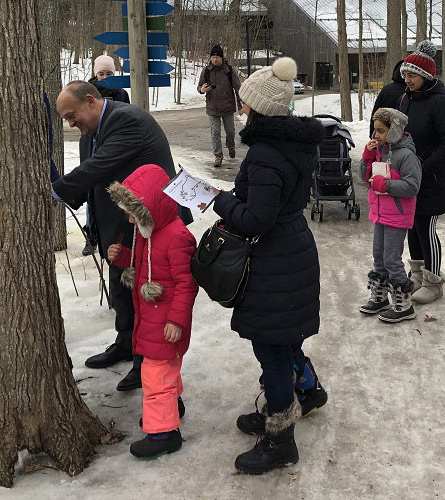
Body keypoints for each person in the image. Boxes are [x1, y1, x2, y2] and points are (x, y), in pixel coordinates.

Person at [206, 57, 328, 474]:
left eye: (244, 104)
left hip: (274, 259)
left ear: (259, 107)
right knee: (285, 336)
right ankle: (308, 392)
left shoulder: (263, 154)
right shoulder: (295, 142)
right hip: (292, 250)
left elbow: (257, 219)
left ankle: (280, 439)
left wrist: (218, 199)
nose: (240, 109)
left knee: (271, 348)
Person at [52, 80, 188, 392]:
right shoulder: (92, 133)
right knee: (121, 292)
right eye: (65, 119)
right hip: (120, 229)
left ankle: (145, 362)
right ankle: (125, 343)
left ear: (90, 101)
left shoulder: (128, 121)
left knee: (145, 300)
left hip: (148, 226)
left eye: (72, 115)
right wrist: (72, 197)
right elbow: (94, 174)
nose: (70, 123)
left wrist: (57, 190)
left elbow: (100, 166)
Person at [104, 164, 196, 459]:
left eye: (134, 213)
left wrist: (177, 320)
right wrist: (123, 259)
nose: (129, 220)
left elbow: (186, 283)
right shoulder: (150, 232)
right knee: (164, 372)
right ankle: (171, 407)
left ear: (151, 208)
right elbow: (146, 269)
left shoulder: (176, 237)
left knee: (155, 377)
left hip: (166, 322)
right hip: (153, 320)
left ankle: (163, 433)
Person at [359, 108, 423, 323]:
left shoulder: (407, 155)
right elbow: (364, 177)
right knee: (378, 256)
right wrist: (367, 158)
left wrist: (385, 185)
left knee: (391, 259)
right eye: (374, 130)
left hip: (397, 215)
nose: (375, 135)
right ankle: (380, 297)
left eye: (381, 131)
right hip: (380, 213)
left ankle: (404, 305)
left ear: (394, 131)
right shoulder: (380, 151)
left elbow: (412, 186)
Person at [395, 43, 445, 304]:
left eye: (411, 75)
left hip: (433, 179)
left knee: (426, 227)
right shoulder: (406, 99)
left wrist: (423, 168)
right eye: (405, 74)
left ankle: (434, 281)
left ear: (425, 76)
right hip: (409, 177)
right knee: (411, 226)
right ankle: (416, 275)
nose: (407, 79)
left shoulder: (440, 102)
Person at [82, 55, 128, 256]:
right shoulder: (86, 93)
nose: (105, 77)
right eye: (101, 73)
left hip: (117, 146)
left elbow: (129, 115)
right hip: (92, 146)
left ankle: (117, 234)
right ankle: (91, 235)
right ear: (95, 73)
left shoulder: (121, 93)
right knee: (93, 191)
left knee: (117, 190)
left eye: (109, 73)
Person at [198, 45, 242, 167]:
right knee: (215, 132)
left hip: (227, 106)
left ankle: (231, 146)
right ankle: (218, 155)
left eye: (217, 57)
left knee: (230, 131)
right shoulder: (206, 71)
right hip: (212, 107)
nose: (215, 59)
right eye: (213, 57)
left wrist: (241, 105)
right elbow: (200, 86)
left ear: (222, 58)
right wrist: (201, 90)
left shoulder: (229, 70)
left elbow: (238, 88)